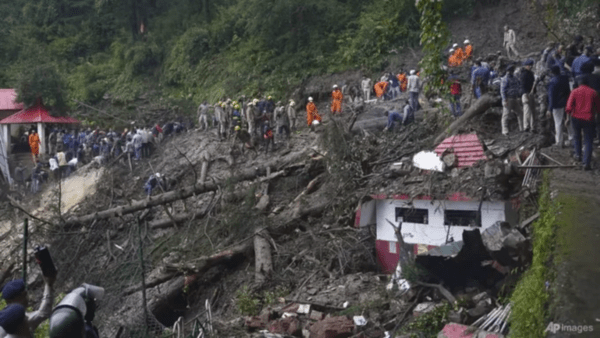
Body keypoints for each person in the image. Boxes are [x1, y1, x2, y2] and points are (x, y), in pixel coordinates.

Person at [565, 75, 600, 170]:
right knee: (588, 140)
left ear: (579, 83)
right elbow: (598, 107)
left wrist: (567, 118)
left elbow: (568, 107)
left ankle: (578, 155)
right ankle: (586, 163)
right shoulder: (593, 92)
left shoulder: (574, 92)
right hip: (589, 118)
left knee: (577, 137)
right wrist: (596, 115)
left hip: (576, 118)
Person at [547, 65, 571, 147]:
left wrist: (549, 108)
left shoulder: (552, 82)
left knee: (558, 123)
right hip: (566, 102)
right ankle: (571, 138)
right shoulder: (565, 78)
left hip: (557, 105)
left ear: (552, 72)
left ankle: (559, 142)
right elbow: (568, 91)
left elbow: (551, 96)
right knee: (568, 121)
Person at [501, 65, 523, 135]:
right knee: (506, 114)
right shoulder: (505, 78)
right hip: (508, 98)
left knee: (520, 112)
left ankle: (522, 128)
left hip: (515, 98)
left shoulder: (514, 78)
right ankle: (505, 130)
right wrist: (504, 99)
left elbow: (518, 86)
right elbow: (502, 90)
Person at [520, 59, 536, 132]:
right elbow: (523, 85)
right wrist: (525, 93)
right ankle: (526, 126)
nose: (531, 67)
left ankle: (533, 127)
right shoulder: (523, 74)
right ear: (526, 66)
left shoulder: (530, 73)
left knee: (532, 111)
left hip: (531, 93)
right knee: (527, 110)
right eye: (530, 65)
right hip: (526, 93)